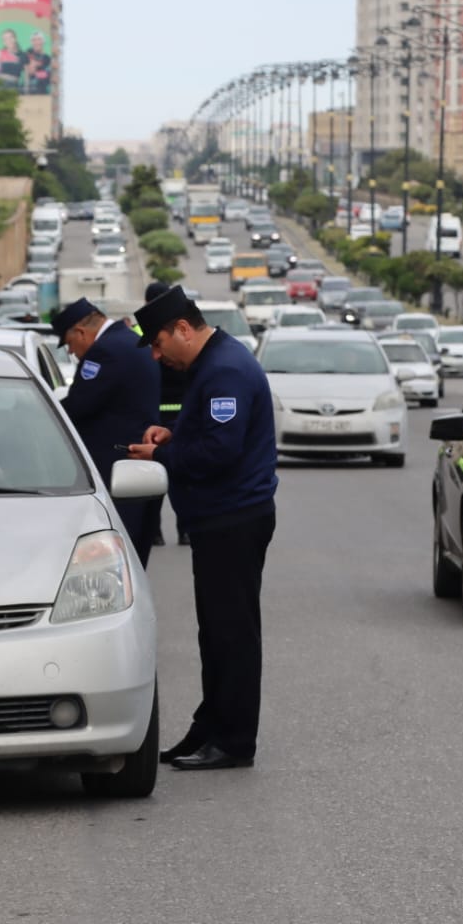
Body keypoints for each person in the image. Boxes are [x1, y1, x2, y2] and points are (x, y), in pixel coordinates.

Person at [128, 286, 277, 772]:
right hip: (220, 518)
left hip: (232, 518)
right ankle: (209, 726)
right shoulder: (213, 364)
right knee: (214, 633)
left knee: (230, 633)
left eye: (157, 342)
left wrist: (163, 455)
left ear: (184, 330)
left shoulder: (226, 370)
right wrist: (175, 434)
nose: (155, 354)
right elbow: (212, 435)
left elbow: (220, 453)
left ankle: (233, 740)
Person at [53, 297, 160, 567]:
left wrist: (43, 413)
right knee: (133, 557)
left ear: (80, 332)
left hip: (115, 470)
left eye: (69, 345)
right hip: (140, 469)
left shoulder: (105, 351)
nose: (73, 353)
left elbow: (78, 407)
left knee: (113, 564)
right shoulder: (129, 339)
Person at [141, 282, 189, 546]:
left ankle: (155, 532)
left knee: (152, 477)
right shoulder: (179, 330)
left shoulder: (142, 330)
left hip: (155, 416)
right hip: (179, 413)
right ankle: (185, 530)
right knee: (181, 476)